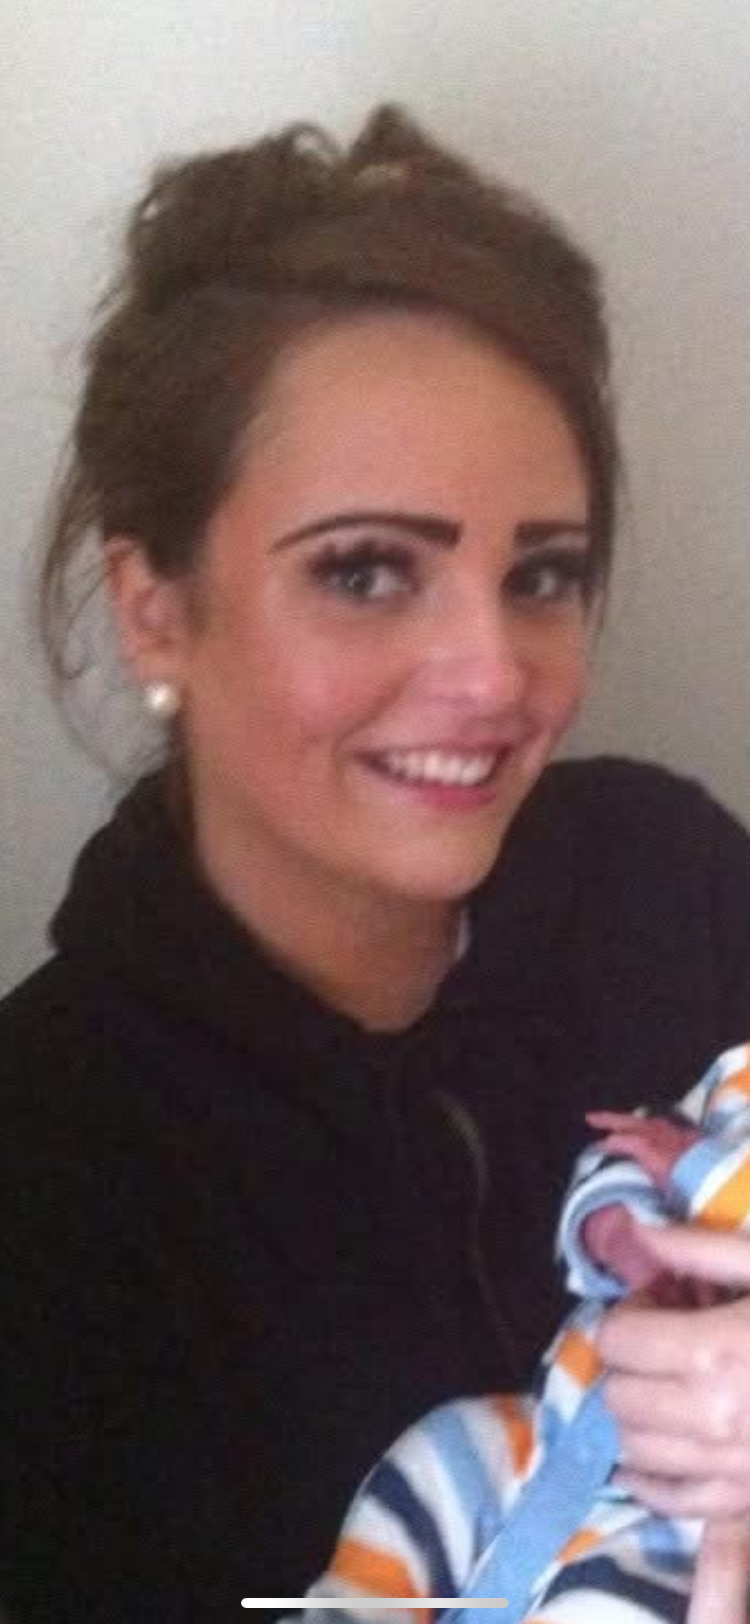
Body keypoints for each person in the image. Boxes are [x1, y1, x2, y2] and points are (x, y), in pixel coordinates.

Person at [3, 103, 750, 1624]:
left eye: (542, 573)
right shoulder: (51, 1175)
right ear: (155, 611)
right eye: (365, 571)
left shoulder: (669, 887)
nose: (494, 674)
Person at [296, 1044, 750, 1623]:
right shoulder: (736, 1078)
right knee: (441, 1455)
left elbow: (683, 1162)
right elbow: (626, 1149)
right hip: (546, 1428)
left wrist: (696, 1171)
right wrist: (618, 1230)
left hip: (677, 1526)